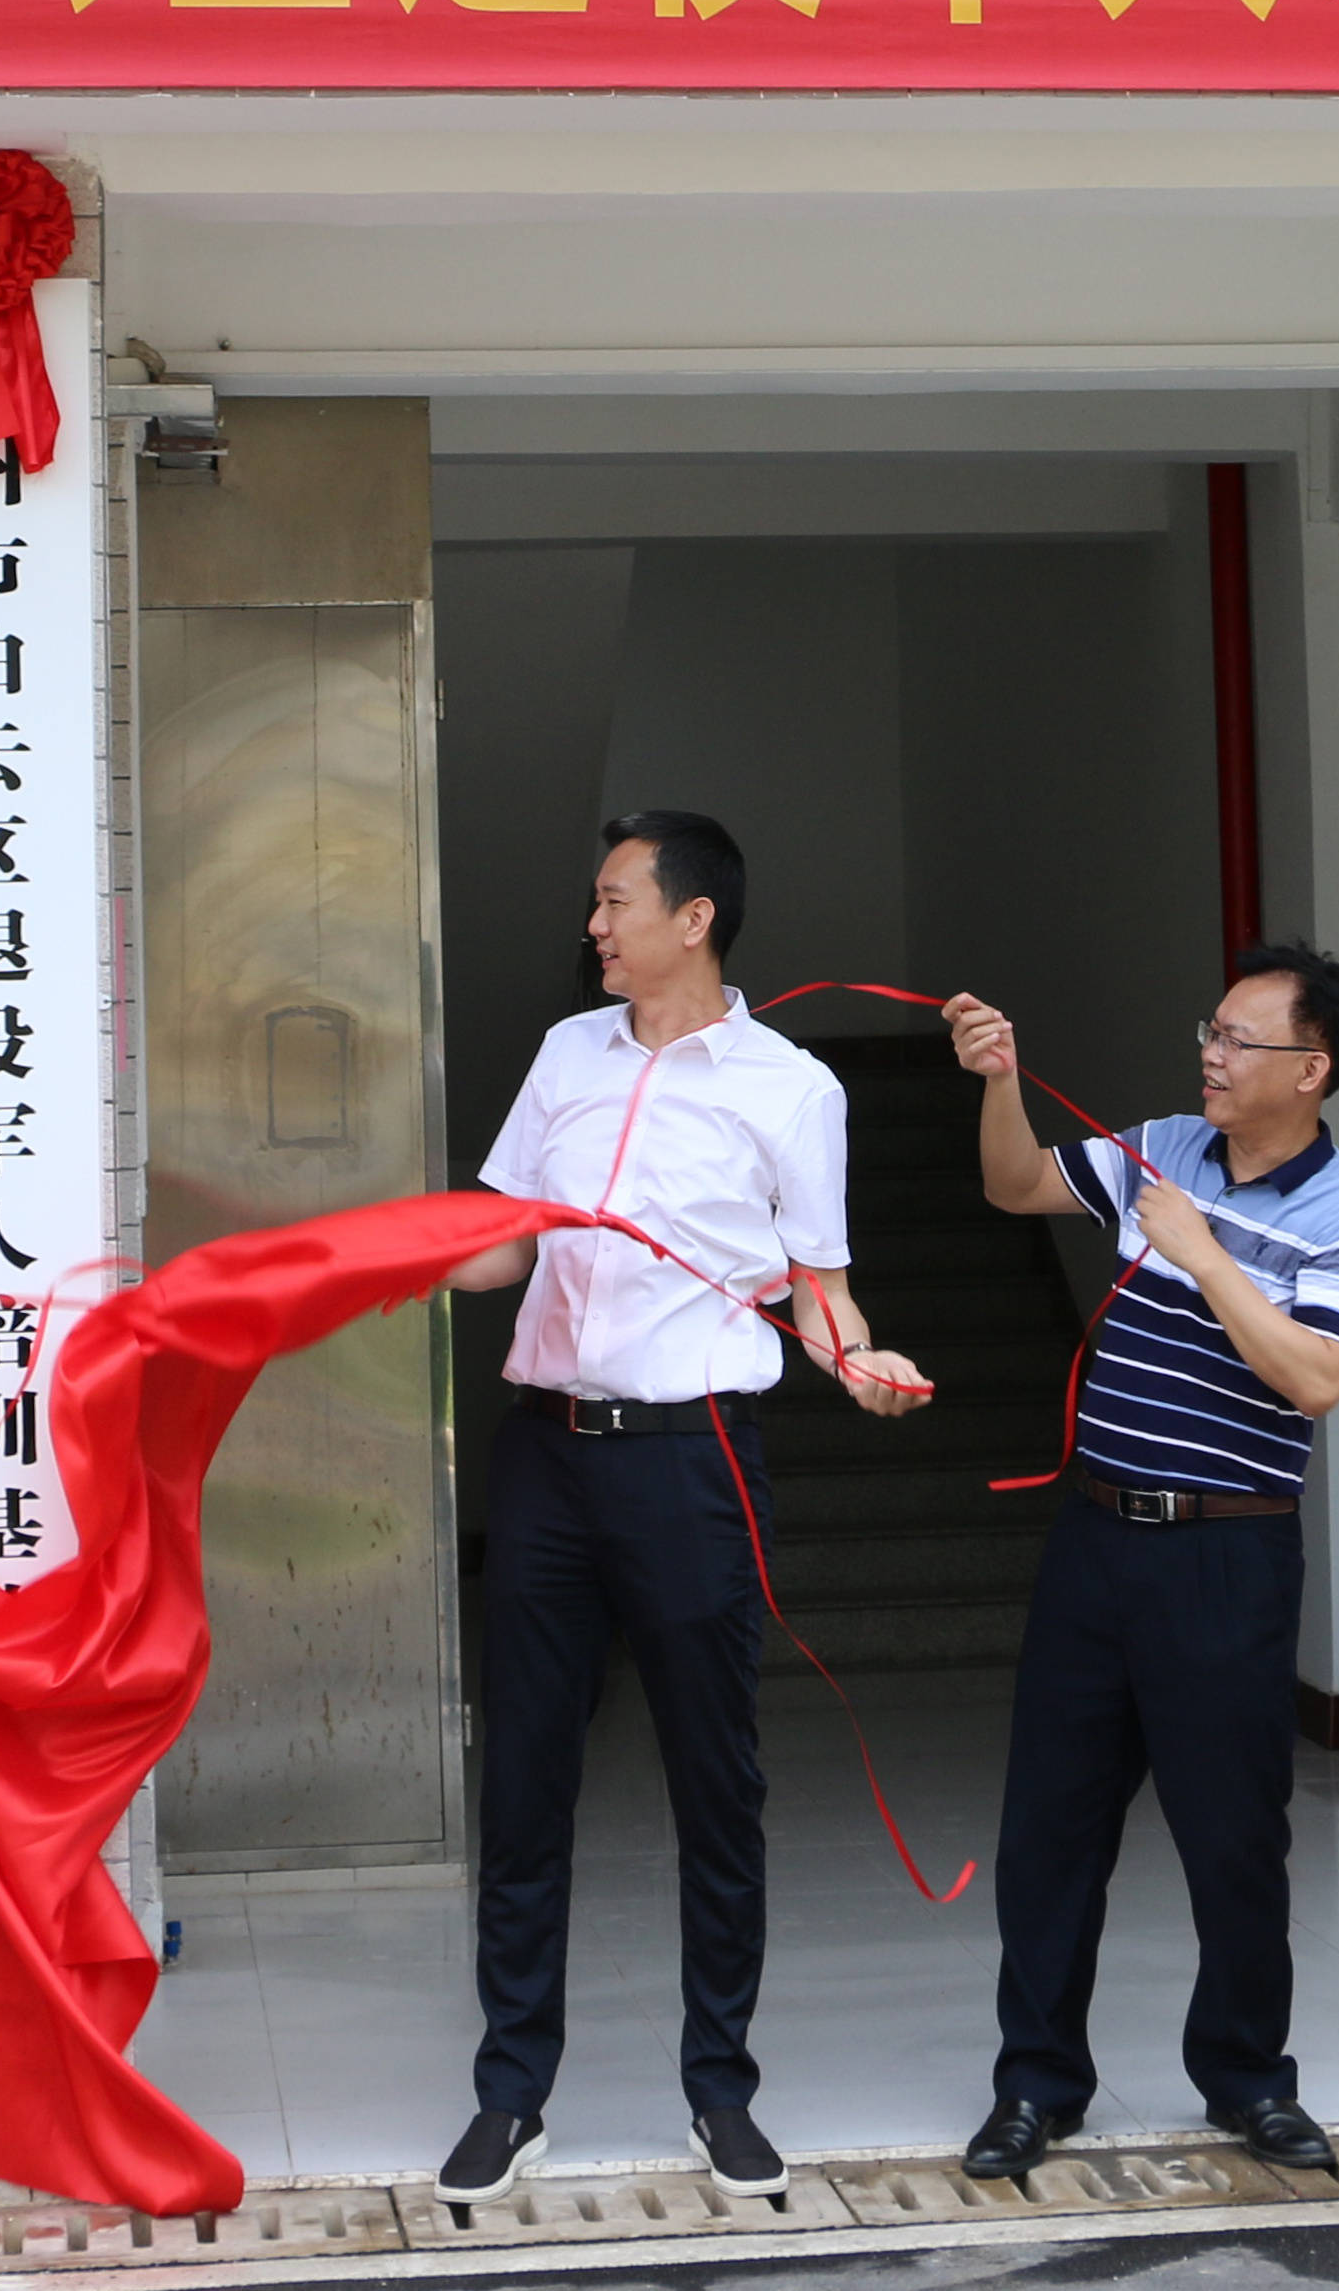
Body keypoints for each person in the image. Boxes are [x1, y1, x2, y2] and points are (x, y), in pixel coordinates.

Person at [432, 811, 934, 2203]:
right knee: (525, 1777)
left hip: (693, 1455)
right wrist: (372, 1250)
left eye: (611, 901)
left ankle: (720, 2085)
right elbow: (498, 1241)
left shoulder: (788, 1086)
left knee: (716, 1781)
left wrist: (859, 1360)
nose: (591, 925)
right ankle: (510, 2086)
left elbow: (815, 1286)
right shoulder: (561, 1054)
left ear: (692, 916)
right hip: (544, 1456)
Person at [938, 947, 1339, 2184]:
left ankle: (1247, 2079)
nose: (1211, 1051)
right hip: (1095, 1541)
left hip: (1228, 1553)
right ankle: (1036, 2083)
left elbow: (1316, 1378)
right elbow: (1016, 1184)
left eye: (1240, 1039)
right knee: (1050, 1832)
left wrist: (1203, 1256)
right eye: (1211, 1028)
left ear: (1311, 1069)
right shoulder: (1158, 1145)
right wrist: (999, 1078)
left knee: (1231, 1836)